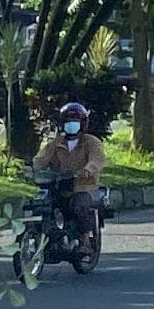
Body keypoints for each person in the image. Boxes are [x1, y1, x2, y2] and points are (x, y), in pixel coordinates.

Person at [41, 106, 105, 254]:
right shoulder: (56, 143)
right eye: (68, 121)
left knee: (79, 207)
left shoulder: (92, 142)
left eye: (75, 121)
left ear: (83, 123)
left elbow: (97, 160)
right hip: (59, 186)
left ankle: (85, 241)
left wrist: (86, 170)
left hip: (83, 187)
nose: (71, 124)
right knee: (43, 205)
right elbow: (41, 159)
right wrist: (31, 168)